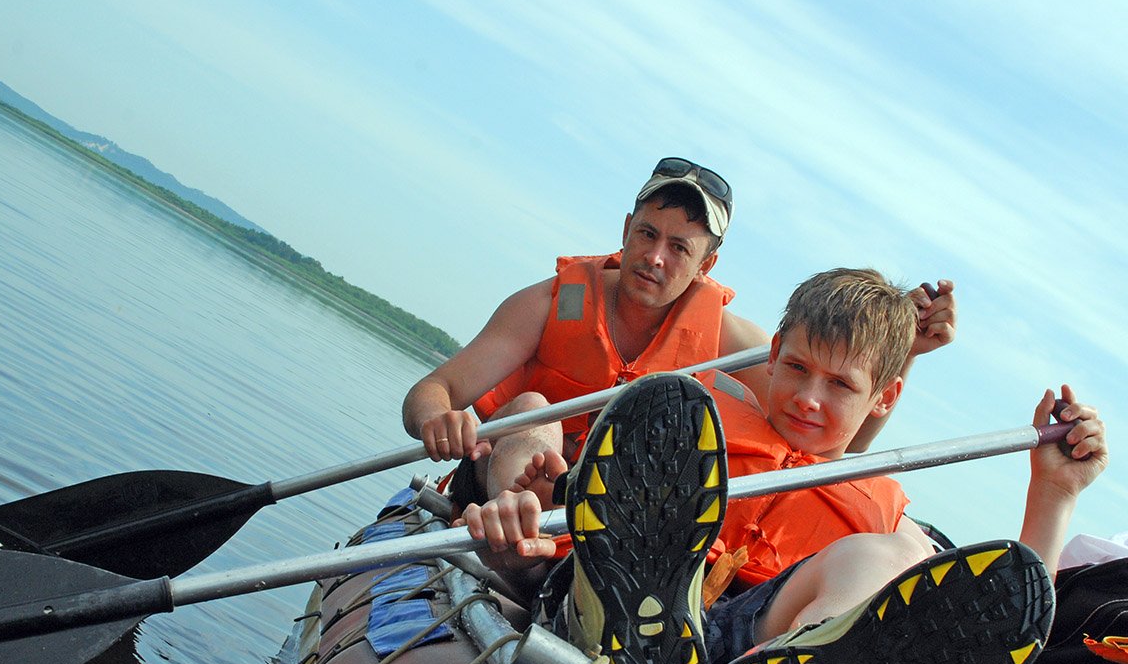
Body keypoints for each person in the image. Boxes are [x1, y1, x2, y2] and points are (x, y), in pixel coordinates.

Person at [459, 268, 1108, 664]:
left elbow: (989, 624)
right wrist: (523, 488)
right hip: (619, 596)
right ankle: (638, 627)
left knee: (889, 559)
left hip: (745, 647)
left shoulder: (879, 503)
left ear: (885, 397)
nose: (808, 398)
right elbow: (535, 430)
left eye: (840, 386)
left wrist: (1053, 497)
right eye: (796, 368)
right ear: (771, 353)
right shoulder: (690, 430)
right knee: (544, 415)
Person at [401, 160, 956, 508]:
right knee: (534, 407)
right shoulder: (550, 303)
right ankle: (520, 523)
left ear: (707, 264)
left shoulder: (733, 340)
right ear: (626, 230)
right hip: (499, 485)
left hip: (613, 514)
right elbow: (429, 393)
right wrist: (439, 418)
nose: (655, 257)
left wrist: (900, 354)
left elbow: (828, 443)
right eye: (647, 234)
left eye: (680, 248)